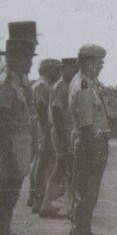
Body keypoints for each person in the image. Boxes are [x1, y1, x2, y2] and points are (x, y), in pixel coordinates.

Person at [68, 44, 111, 235]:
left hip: (89, 144)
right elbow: (86, 127)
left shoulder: (85, 82)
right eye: (98, 62)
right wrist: (94, 154)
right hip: (89, 145)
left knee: (85, 194)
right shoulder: (84, 87)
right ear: (87, 62)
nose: (101, 66)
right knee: (87, 195)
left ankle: (80, 233)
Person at [0, 33, 38, 235]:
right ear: (14, 58)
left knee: (8, 208)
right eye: (27, 58)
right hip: (8, 155)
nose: (30, 63)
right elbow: (2, 123)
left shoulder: (15, 82)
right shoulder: (6, 83)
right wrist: (9, 157)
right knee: (4, 208)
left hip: (15, 153)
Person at [40, 57, 79, 219]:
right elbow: (56, 114)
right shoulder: (60, 87)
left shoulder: (69, 85)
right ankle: (70, 207)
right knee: (69, 170)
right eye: (73, 68)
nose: (76, 71)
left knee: (61, 169)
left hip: (66, 132)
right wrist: (64, 139)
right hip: (62, 133)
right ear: (65, 69)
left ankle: (47, 204)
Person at [31, 59, 62, 216]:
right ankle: (38, 200)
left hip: (44, 127)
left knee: (42, 163)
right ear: (48, 70)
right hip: (44, 127)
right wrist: (46, 130)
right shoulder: (42, 85)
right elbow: (42, 109)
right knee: (42, 164)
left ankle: (38, 198)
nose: (58, 73)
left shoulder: (44, 84)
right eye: (56, 70)